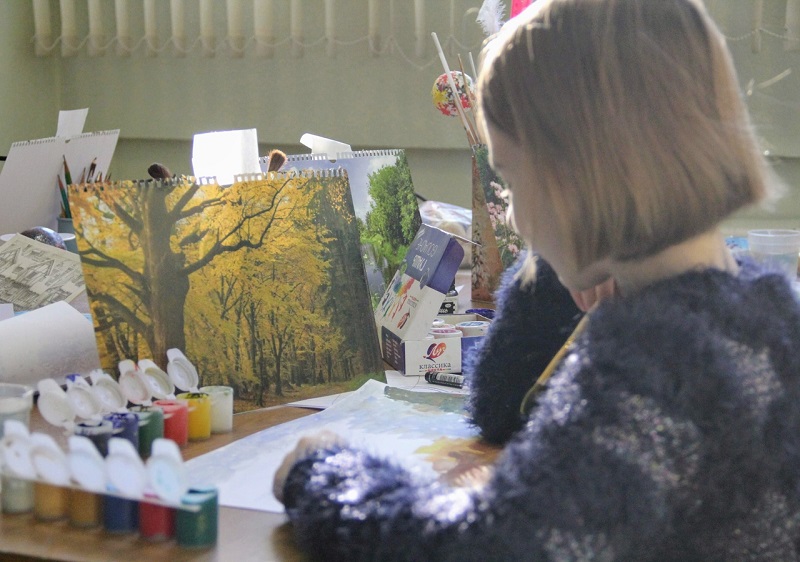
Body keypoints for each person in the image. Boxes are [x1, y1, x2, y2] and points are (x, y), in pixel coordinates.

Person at [272, 0, 800, 559]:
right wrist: (580, 254)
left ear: (577, 175)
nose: (514, 217)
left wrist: (324, 474)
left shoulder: (652, 359)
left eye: (511, 178)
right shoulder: (770, 312)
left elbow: (484, 551)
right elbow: (507, 407)